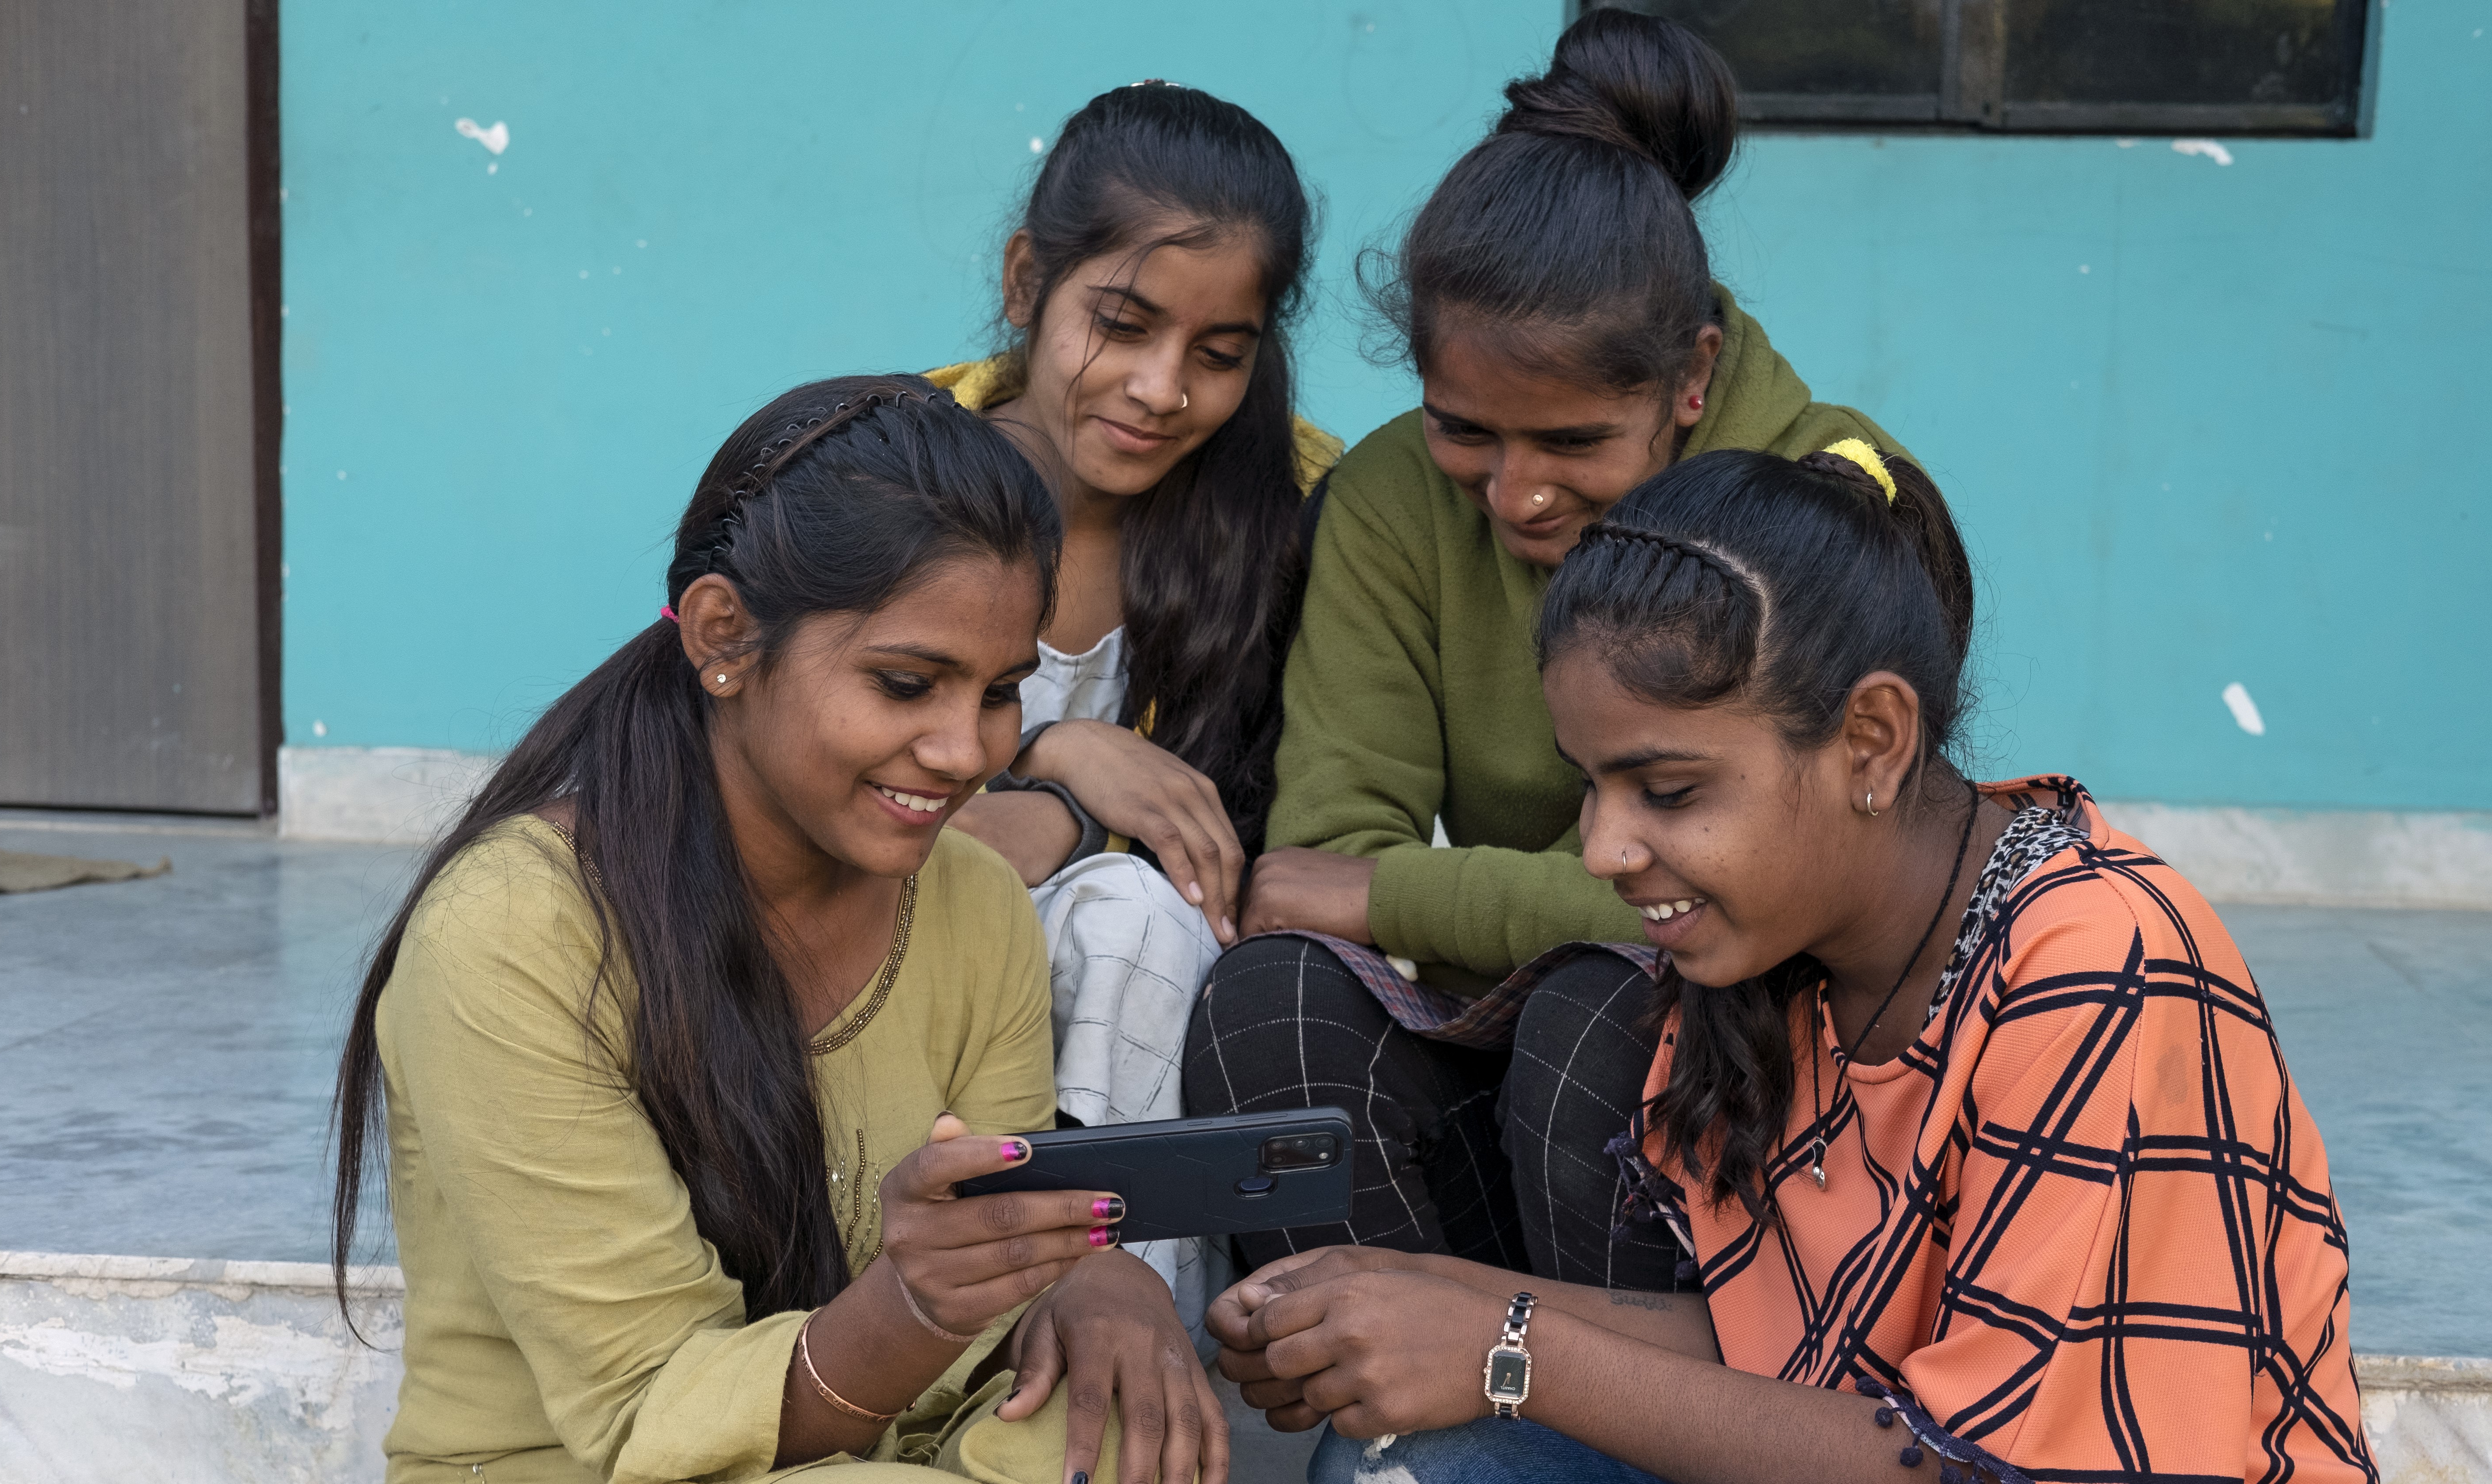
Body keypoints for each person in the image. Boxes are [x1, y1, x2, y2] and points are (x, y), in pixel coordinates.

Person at [1207, 446, 2377, 1483]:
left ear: (1870, 742)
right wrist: (1417, 1299)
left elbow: (1976, 1463)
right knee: (1399, 1452)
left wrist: (1504, 1356)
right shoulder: (1792, 957)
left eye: (1669, 791)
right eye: (1590, 786)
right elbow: (1776, 1349)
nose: (1606, 850)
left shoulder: (2105, 960)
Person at [327, 376, 1226, 1484]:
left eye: (1001, 693)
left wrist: (1087, 1280)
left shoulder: (977, 905)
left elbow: (981, 1353)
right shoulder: (512, 934)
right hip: (585, 1462)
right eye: (907, 684)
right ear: (724, 636)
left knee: (1123, 1420)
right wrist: (911, 1295)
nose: (965, 753)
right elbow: (649, 1409)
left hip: (887, 1454)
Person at [1183, 8, 1907, 1289]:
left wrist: (1414, 898)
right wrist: (1410, 898)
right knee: (1271, 1008)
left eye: (1571, 443)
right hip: (1516, 1071)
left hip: (1772, 1096)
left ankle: (1639, 1421)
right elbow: (1318, 872)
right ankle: (1403, 1437)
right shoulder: (1395, 500)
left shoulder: (1827, 501)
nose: (1514, 495)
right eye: (1466, 430)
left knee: (1609, 1000)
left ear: (1690, 379)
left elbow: (1779, 906)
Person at [930, 82, 1338, 1324]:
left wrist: (1076, 819)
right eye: (1122, 324)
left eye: (1218, 356)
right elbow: (767, 785)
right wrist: (1059, 758)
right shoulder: (885, 466)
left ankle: (1126, 1341)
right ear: (1024, 285)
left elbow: (1286, 827)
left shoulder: (1301, 510)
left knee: (1133, 914)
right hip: (895, 956)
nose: (1162, 389)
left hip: (1156, 1005)